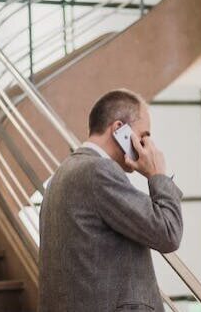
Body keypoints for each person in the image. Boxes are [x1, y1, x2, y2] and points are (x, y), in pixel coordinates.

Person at [39, 89, 183, 312]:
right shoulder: (98, 171)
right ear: (119, 130)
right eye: (143, 136)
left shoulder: (63, 172)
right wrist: (158, 175)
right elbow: (168, 233)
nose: (147, 146)